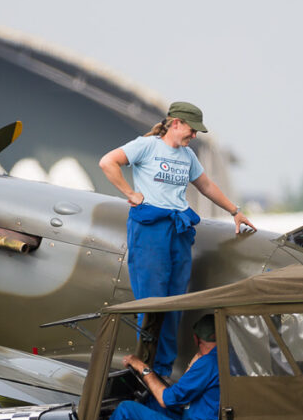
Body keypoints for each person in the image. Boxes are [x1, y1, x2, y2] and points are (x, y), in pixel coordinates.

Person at [99, 102, 255, 377]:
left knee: (174, 303)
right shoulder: (146, 146)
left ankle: (162, 371)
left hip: (179, 230)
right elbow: (108, 162)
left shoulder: (187, 156)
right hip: (150, 229)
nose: (194, 136)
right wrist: (130, 193)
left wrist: (235, 211)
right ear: (176, 124)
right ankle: (145, 368)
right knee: (151, 302)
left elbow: (205, 185)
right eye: (192, 130)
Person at [92, 314, 220, 420]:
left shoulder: (208, 363)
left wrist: (141, 366)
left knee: (127, 412)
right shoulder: (224, 358)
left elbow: (166, 399)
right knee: (149, 403)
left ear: (196, 338)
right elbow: (181, 396)